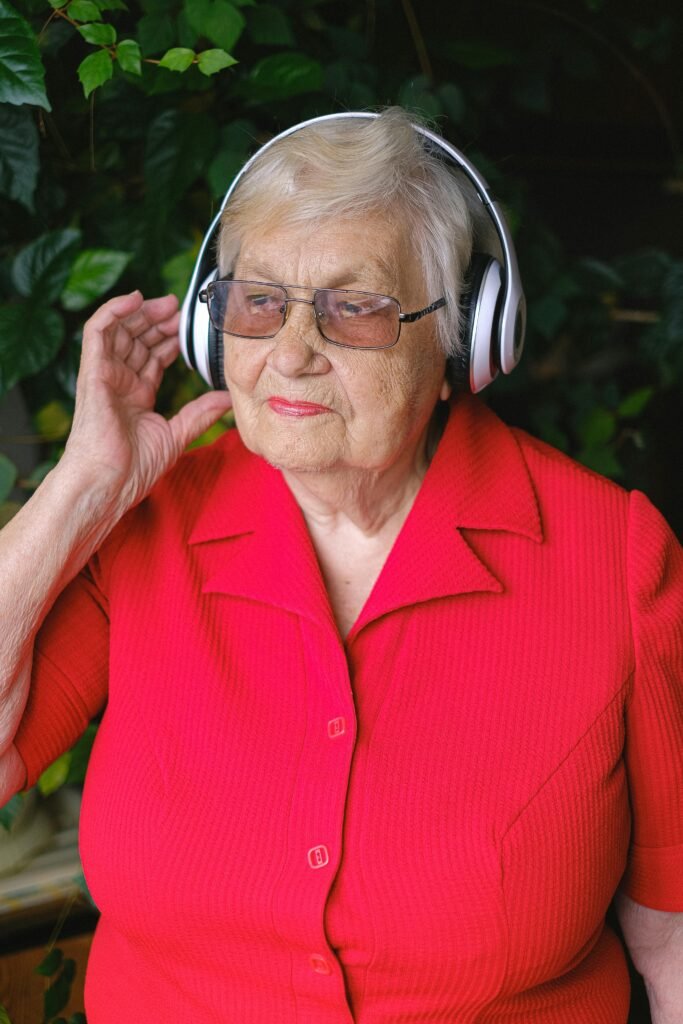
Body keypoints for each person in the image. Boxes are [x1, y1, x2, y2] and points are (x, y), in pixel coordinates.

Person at [0, 107, 681, 1023]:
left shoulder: (613, 560)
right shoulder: (140, 529)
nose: (289, 354)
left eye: (352, 308)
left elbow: (670, 936)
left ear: (461, 344)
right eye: (258, 302)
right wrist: (82, 489)